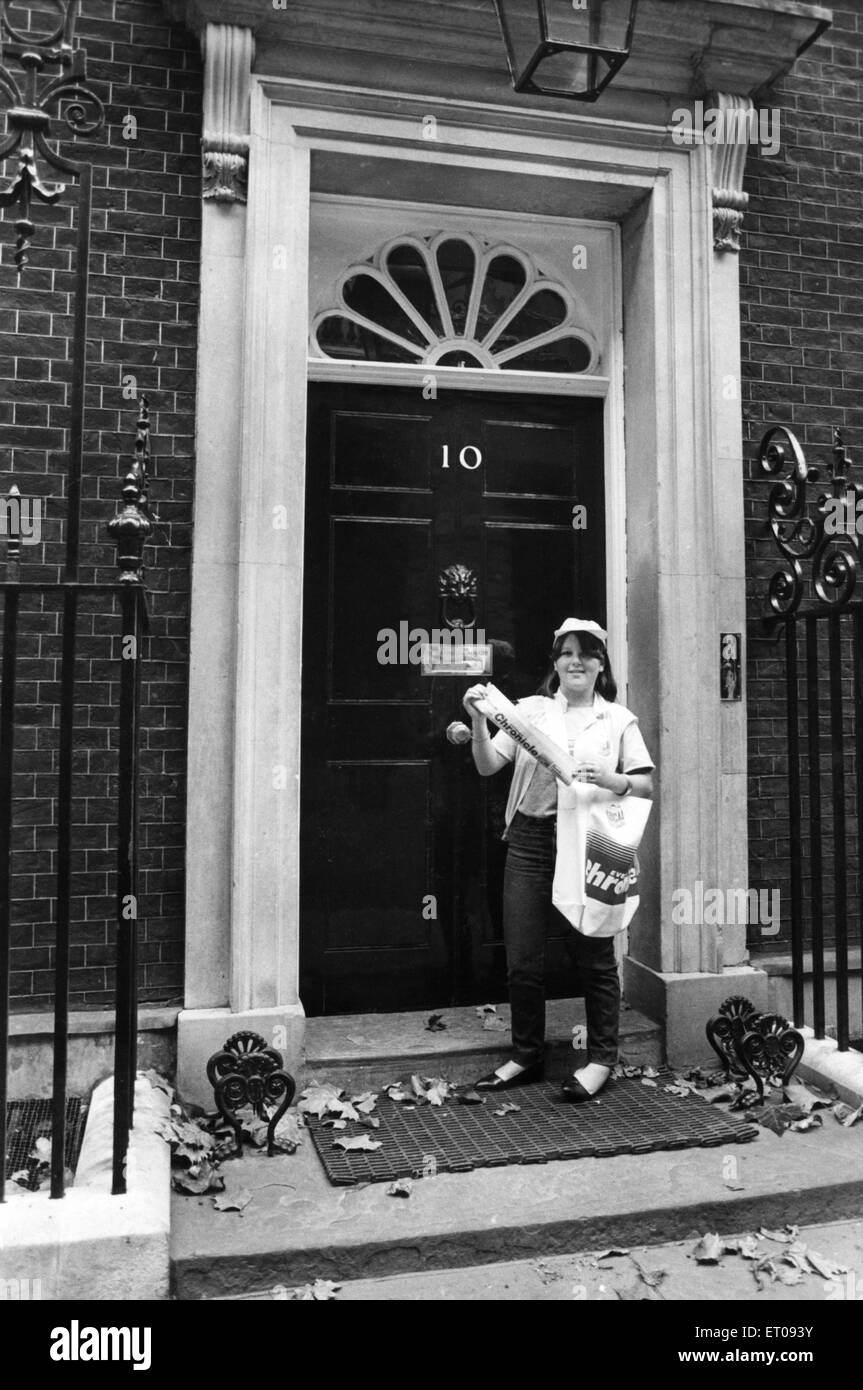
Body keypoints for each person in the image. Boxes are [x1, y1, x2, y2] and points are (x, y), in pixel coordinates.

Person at [462, 618, 654, 1102]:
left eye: (587, 654)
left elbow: (645, 784)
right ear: (555, 662)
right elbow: (488, 765)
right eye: (566, 653)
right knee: (523, 958)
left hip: (587, 843)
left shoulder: (617, 720)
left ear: (601, 665)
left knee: (593, 953)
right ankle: (526, 1054)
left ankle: (601, 1059)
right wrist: (480, 719)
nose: (576, 662)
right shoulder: (530, 712)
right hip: (529, 841)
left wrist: (611, 779)